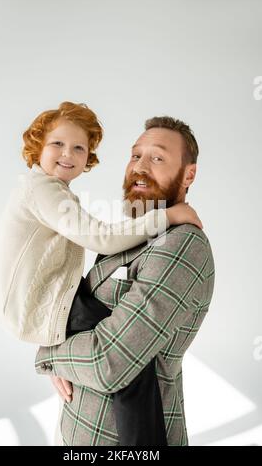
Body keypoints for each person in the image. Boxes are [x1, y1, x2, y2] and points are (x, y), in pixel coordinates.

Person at [35, 115, 215, 446]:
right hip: (77, 431)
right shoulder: (133, 234)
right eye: (135, 155)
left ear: (189, 174)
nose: (140, 166)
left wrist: (49, 353)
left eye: (157, 157)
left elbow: (109, 362)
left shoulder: (182, 244)